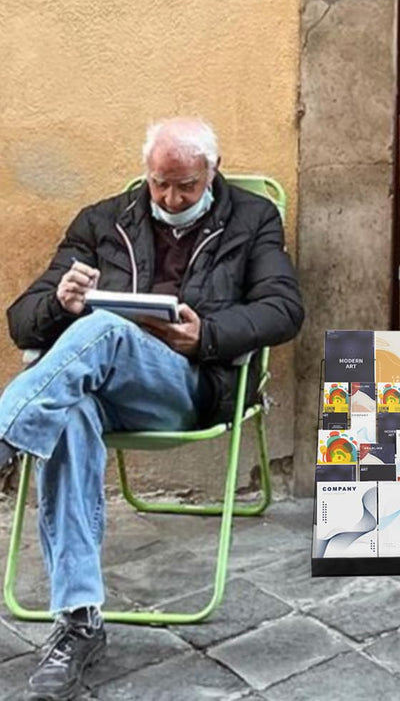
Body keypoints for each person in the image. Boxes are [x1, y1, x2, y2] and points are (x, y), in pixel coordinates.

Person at [1, 118, 304, 701]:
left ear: (212, 172)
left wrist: (208, 334)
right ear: (147, 172)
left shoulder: (251, 219)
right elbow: (22, 319)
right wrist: (60, 303)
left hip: (187, 386)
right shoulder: (101, 219)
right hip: (98, 390)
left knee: (107, 328)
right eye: (160, 183)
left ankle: (4, 439)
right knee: (69, 411)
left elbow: (283, 309)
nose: (170, 198)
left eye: (186, 185)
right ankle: (78, 622)